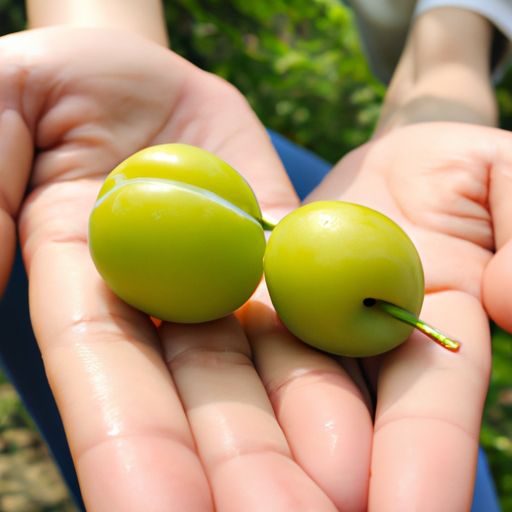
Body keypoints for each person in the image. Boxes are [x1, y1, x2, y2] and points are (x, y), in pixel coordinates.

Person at [0, 1, 510, 510]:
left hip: (252, 160)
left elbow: (447, 51)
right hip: (178, 129)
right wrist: (105, 38)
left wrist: (448, 85)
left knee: (416, 460)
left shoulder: (280, 238)